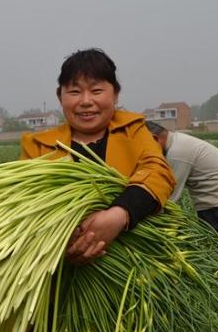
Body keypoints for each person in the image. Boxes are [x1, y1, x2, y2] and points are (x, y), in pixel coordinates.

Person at [20, 48, 175, 264]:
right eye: (74, 92)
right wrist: (62, 241)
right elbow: (24, 205)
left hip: (136, 267)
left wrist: (120, 214)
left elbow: (158, 172)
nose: (85, 101)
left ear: (116, 94)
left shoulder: (134, 131)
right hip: (63, 273)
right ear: (60, 96)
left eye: (96, 91)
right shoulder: (38, 147)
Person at [145, 121, 218, 234]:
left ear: (155, 139)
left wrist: (141, 218)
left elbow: (169, 199)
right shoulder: (177, 141)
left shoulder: (177, 153)